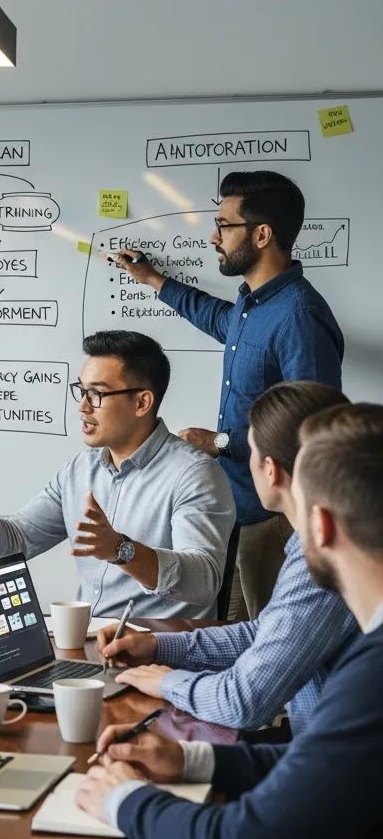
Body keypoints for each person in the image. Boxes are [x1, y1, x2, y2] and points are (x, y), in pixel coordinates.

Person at [76, 403, 383, 839]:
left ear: (322, 524)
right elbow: (320, 762)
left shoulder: (372, 677)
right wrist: (194, 760)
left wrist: (121, 798)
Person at [113, 171, 343, 621]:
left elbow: (317, 429)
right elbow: (218, 319)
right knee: (232, 633)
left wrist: (220, 443)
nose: (213, 236)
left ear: (261, 234)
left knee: (265, 647)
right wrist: (154, 280)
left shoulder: (299, 315)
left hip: (274, 518)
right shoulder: (250, 305)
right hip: (234, 507)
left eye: (224, 225)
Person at [0, 331, 235, 619]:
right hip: (88, 645)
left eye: (97, 393)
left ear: (142, 403)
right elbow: (15, 541)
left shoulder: (194, 474)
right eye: (81, 390)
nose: (83, 405)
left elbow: (203, 579)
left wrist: (122, 550)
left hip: (162, 653)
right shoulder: (80, 470)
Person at [96, 381, 357, 738]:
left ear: (269, 469)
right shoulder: (311, 541)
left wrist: (168, 682)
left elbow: (244, 701)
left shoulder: (323, 558)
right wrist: (158, 646)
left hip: (331, 768)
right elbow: (265, 633)